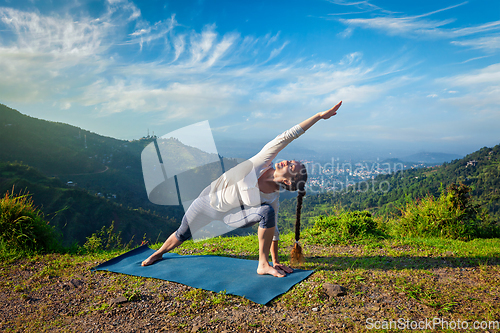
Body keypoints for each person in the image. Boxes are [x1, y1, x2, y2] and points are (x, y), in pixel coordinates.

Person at [142, 101, 342, 278]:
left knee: (266, 212)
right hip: (207, 200)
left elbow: (274, 231)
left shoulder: (272, 197)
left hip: (232, 217)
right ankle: (158, 253)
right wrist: (317, 116)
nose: (288, 161)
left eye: (291, 167)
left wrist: (274, 260)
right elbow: (287, 136)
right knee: (182, 233)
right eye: (291, 161)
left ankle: (262, 265)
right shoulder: (262, 160)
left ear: (289, 182)